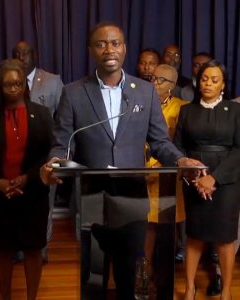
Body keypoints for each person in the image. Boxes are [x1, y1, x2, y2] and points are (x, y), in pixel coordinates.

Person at [40, 22, 204, 299]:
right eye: (102, 44)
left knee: (129, 269)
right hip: (93, 193)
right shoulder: (74, 92)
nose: (109, 49)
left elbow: (160, 142)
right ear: (91, 50)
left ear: (124, 48)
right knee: (94, 272)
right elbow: (62, 142)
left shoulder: (144, 91)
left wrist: (181, 160)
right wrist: (54, 162)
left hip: (132, 193)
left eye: (115, 43)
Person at [0, 59, 53, 300]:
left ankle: (32, 297)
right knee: (3, 251)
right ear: (0, 86)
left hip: (32, 193)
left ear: (24, 85)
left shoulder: (41, 113)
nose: (13, 89)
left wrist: (27, 178)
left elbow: (48, 153)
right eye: (7, 85)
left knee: (32, 250)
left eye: (18, 84)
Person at [173, 60, 240, 300]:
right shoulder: (186, 111)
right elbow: (178, 147)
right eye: (204, 79)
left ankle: (226, 291)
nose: (208, 83)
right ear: (197, 81)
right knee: (194, 235)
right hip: (194, 179)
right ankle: (190, 288)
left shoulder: (235, 111)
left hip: (227, 181)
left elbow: (239, 150)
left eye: (214, 80)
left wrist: (214, 178)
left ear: (223, 84)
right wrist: (191, 171)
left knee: (225, 237)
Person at [12, 40, 64, 263]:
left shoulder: (53, 81)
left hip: (44, 154)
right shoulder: (4, 80)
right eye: (17, 53)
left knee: (45, 204)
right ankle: (18, 246)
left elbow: (63, 119)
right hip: (14, 157)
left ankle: (42, 245)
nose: (21, 57)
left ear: (35, 55)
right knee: (17, 203)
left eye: (25, 53)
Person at [144, 64, 188, 299]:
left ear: (171, 86)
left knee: (167, 229)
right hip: (142, 174)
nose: (154, 83)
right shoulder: (140, 103)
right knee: (147, 229)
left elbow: (181, 143)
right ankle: (144, 276)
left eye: (160, 80)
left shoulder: (182, 108)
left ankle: (164, 281)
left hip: (170, 177)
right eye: (152, 78)